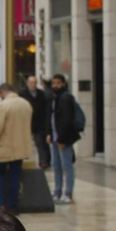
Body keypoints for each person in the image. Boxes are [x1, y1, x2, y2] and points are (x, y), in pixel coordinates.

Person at [0, 82, 33, 215]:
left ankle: (0, 205)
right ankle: (13, 206)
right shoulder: (26, 104)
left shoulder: (4, 105)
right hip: (20, 147)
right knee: (15, 177)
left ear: (2, 92)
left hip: (4, 147)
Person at [49, 74, 84, 204]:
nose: (55, 86)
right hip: (55, 138)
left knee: (66, 166)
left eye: (58, 83)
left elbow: (66, 120)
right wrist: (50, 134)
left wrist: (62, 139)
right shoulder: (55, 98)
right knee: (56, 165)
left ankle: (68, 193)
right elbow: (53, 118)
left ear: (63, 84)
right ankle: (57, 191)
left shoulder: (66, 98)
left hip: (63, 139)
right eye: (54, 83)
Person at [26, 75, 52, 174]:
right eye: (31, 83)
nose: (33, 85)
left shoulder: (41, 94)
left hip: (39, 123)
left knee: (40, 143)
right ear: (28, 83)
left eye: (35, 83)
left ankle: (43, 162)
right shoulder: (23, 94)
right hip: (27, 122)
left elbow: (46, 109)